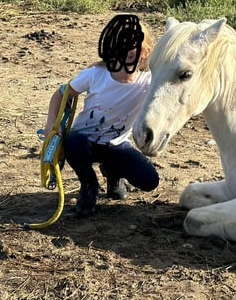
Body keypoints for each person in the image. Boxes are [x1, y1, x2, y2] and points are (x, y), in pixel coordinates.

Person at [43, 14, 159, 217]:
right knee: (75, 144)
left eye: (132, 44)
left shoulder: (148, 82)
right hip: (84, 142)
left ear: (144, 52)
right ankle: (89, 185)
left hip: (116, 145)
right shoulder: (96, 74)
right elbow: (61, 94)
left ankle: (114, 173)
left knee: (149, 180)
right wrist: (52, 123)